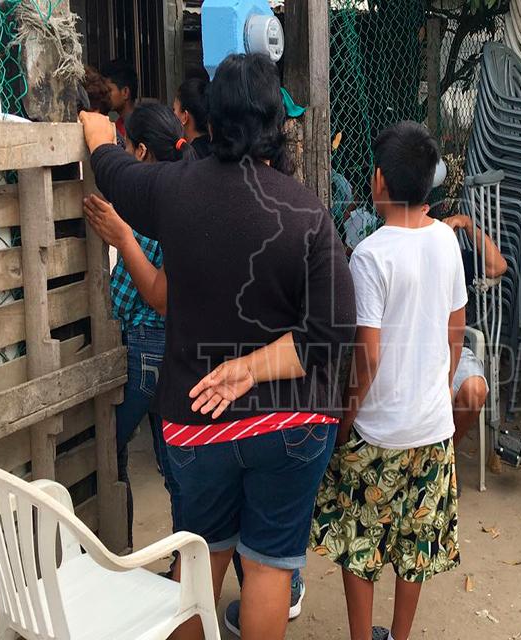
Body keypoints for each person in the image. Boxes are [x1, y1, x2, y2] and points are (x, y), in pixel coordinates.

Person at [81, 52, 356, 640]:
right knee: (269, 567)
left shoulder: (173, 190)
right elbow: (334, 332)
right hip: (293, 421)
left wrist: (100, 134)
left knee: (199, 562)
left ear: (209, 118)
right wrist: (253, 369)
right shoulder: (306, 211)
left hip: (197, 421)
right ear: (276, 121)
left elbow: (115, 173)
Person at [310, 121, 464, 640]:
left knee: (360, 540)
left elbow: (368, 357)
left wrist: (345, 417)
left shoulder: (371, 255)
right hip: (432, 428)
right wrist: (441, 389)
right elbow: (456, 331)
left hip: (377, 431)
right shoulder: (446, 241)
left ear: (378, 180)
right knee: (416, 543)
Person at [82, 103, 195, 550]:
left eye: (128, 148)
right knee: (175, 467)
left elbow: (137, 294)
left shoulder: (144, 203)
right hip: (173, 348)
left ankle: (119, 550)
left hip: (143, 344)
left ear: (142, 151)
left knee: (108, 451)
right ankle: (185, 562)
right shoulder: (184, 191)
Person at [441, 212, 506, 459]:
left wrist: (467, 224)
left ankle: (445, 456)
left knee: (475, 390)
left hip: (452, 347)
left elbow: (498, 266)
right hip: (414, 352)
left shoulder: (453, 258)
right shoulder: (401, 256)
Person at [100, 59, 138, 139]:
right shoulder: (113, 122)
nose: (104, 95)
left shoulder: (141, 127)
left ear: (125, 92)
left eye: (109, 90)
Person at [174, 77, 211, 158]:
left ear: (185, 117)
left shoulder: (187, 157)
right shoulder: (218, 150)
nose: (172, 115)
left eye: (174, 110)